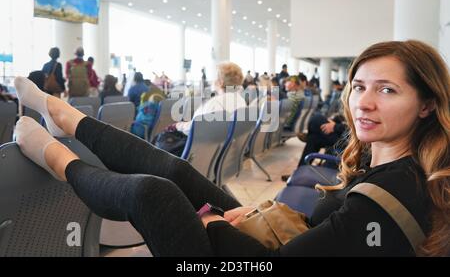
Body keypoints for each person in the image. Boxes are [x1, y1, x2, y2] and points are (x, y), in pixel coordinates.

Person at [12, 40, 450, 256]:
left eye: (387, 90)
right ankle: (65, 116)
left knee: (156, 194)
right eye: (358, 87)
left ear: (427, 103)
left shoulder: (391, 195)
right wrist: (249, 216)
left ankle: (56, 156)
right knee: (179, 173)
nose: (364, 103)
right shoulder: (396, 169)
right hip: (277, 240)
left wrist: (217, 224)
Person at [174, 62, 247, 136]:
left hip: (204, 143)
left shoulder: (215, 103)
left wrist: (178, 126)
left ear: (220, 82)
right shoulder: (241, 101)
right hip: (226, 144)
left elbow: (194, 128)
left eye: (214, 78)